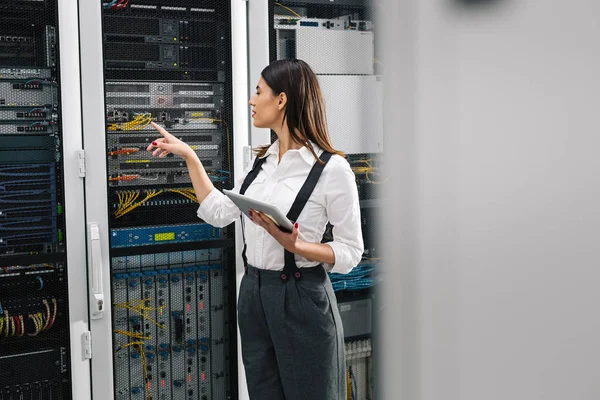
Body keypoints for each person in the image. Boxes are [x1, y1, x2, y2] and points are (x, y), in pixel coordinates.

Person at [146, 59, 364, 400]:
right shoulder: (259, 162)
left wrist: (298, 246)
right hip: (254, 294)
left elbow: (351, 251)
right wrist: (189, 155)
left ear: (281, 100)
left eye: (258, 91)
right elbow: (219, 212)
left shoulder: (332, 169)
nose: (251, 100)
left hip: (301, 297)